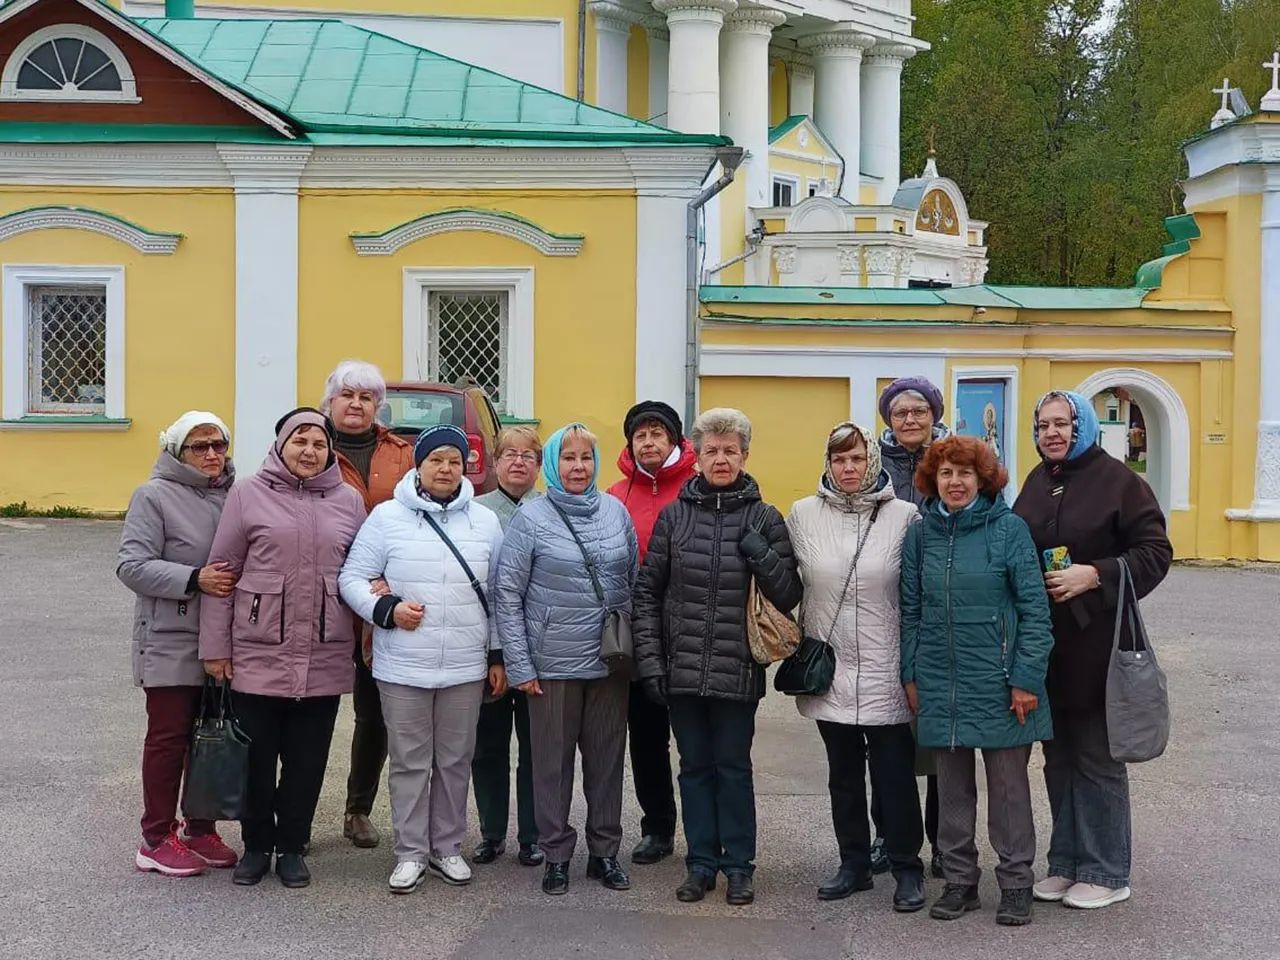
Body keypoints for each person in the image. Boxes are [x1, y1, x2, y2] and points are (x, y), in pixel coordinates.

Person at [633, 408, 802, 907]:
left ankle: (740, 867)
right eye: (712, 450)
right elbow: (647, 595)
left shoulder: (765, 517)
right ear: (696, 457)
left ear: (745, 456)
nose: (721, 459)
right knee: (693, 768)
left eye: (731, 450)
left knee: (732, 767)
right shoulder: (675, 516)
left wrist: (759, 551)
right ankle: (701, 864)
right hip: (681, 669)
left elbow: (788, 592)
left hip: (737, 669)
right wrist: (651, 663)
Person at [1014, 391, 1172, 910]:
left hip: (1099, 644)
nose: (1052, 433)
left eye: (1063, 423)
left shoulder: (1120, 482)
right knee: (1057, 757)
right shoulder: (1037, 482)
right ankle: (1067, 864)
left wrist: (1095, 574)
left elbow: (1154, 552)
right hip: (1047, 647)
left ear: (1082, 425)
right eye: (1044, 425)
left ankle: (1106, 870)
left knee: (1097, 757)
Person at [199, 408, 366, 889]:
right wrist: (217, 648)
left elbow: (360, 572)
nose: (309, 451)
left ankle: (292, 846)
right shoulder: (247, 493)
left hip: (325, 651)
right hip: (257, 650)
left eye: (318, 443)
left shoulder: (349, 500)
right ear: (280, 444)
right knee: (256, 757)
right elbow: (221, 573)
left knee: (307, 761)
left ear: (330, 450)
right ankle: (256, 846)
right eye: (300, 441)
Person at [339, 424, 505, 893]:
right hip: (403, 664)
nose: (446, 469)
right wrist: (386, 610)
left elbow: (498, 594)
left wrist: (496, 654)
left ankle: (446, 848)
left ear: (465, 467)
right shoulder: (388, 517)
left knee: (455, 760)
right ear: (419, 465)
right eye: (436, 460)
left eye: (454, 460)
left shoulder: (484, 521)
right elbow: (353, 576)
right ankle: (411, 852)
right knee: (410, 762)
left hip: (465, 666)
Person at [899, 435, 1054, 926]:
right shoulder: (920, 535)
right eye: (946, 473)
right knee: (952, 787)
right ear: (933, 481)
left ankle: (1015, 883)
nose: (955, 482)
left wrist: (1026, 677)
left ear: (982, 479)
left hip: (1001, 679)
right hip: (941, 678)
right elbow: (910, 611)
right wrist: (911, 672)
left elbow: (1035, 610)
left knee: (1008, 787)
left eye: (965, 473)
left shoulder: (1009, 530)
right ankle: (960, 881)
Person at [785, 421, 925, 912]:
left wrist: (914, 669)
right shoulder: (802, 514)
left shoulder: (905, 516)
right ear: (828, 464)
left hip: (887, 667)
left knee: (895, 774)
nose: (848, 468)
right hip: (831, 667)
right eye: (839, 459)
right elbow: (786, 584)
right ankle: (854, 864)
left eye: (857, 459)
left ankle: (908, 866)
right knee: (842, 774)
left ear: (873, 463)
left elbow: (916, 597)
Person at [494, 423, 638, 897]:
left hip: (608, 663)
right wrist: (521, 665)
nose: (579, 467)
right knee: (551, 765)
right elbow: (508, 595)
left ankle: (604, 852)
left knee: (606, 762)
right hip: (550, 664)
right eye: (569, 458)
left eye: (587, 458)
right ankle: (556, 855)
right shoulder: (531, 517)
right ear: (554, 464)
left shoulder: (616, 511)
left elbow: (632, 583)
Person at [118, 411, 239, 878]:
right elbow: (131, 565)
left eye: (218, 445)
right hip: (170, 635)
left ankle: (199, 828)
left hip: (222, 637)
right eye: (199, 446)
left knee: (208, 738)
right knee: (169, 738)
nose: (211, 454)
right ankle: (154, 837)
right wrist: (194, 578)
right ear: (176, 451)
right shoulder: (154, 495)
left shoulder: (235, 492)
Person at [323, 360, 415, 851]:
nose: (356, 404)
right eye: (347, 395)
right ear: (330, 402)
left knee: (373, 712)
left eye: (366, 397)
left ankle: (357, 809)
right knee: (308, 709)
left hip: (379, 597)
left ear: (378, 405)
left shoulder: (401, 453)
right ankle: (290, 810)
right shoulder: (311, 446)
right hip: (318, 595)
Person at [605, 400, 696, 866]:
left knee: (697, 742)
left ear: (675, 439)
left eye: (658, 433)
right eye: (640, 435)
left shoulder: (697, 489)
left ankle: (705, 832)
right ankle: (657, 827)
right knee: (646, 739)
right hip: (640, 636)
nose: (649, 442)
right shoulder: (616, 494)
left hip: (694, 633)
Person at [877, 375, 949, 878]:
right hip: (885, 614)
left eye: (919, 410)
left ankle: (947, 840)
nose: (909, 419)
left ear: (934, 415)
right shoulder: (873, 465)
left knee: (943, 734)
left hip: (942, 612)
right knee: (889, 740)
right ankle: (890, 835)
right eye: (900, 411)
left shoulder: (955, 460)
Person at [471, 426, 546, 868]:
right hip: (488, 649)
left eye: (528, 456)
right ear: (496, 463)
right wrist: (493, 653)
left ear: (539, 466)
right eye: (510, 454)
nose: (518, 462)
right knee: (489, 745)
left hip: (541, 649)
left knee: (536, 748)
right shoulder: (477, 512)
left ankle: (533, 834)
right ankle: (491, 831)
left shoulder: (552, 509)